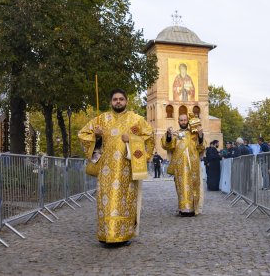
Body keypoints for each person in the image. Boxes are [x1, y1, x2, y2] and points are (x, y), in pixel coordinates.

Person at [78, 88, 154, 247]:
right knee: (106, 203)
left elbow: (149, 138)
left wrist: (132, 138)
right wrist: (96, 136)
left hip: (126, 170)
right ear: (111, 102)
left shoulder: (136, 120)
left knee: (125, 203)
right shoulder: (101, 120)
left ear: (126, 101)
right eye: (115, 99)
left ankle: (123, 235)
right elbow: (83, 134)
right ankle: (105, 235)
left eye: (121, 99)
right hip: (106, 171)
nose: (118, 101)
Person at [161, 114, 205, 216]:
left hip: (193, 165)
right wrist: (168, 135)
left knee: (194, 185)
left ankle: (194, 208)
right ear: (178, 121)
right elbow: (167, 145)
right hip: (179, 166)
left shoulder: (194, 135)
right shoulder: (175, 134)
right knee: (181, 187)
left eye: (185, 120)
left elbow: (201, 147)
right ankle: (183, 208)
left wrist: (201, 135)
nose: (183, 122)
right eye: (181, 120)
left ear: (188, 121)